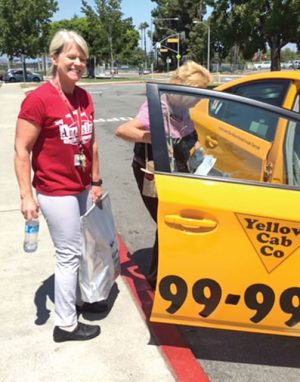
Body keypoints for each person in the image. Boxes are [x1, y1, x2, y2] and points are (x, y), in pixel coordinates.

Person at [14, 29, 105, 343]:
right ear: (54, 58)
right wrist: (26, 195)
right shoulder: (38, 100)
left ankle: (78, 299)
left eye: (82, 58)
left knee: (83, 249)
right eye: (71, 56)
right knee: (68, 254)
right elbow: (21, 150)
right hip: (55, 190)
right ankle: (65, 324)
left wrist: (96, 181)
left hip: (81, 187)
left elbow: (91, 144)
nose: (78, 63)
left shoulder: (84, 96)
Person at [115, 61, 212, 289]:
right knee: (167, 221)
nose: (199, 99)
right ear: (185, 91)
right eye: (197, 94)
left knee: (174, 221)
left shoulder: (182, 108)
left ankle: (171, 269)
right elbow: (123, 130)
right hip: (153, 175)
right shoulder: (157, 106)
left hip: (176, 174)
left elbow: (188, 134)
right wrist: (155, 137)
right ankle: (159, 277)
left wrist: (204, 158)